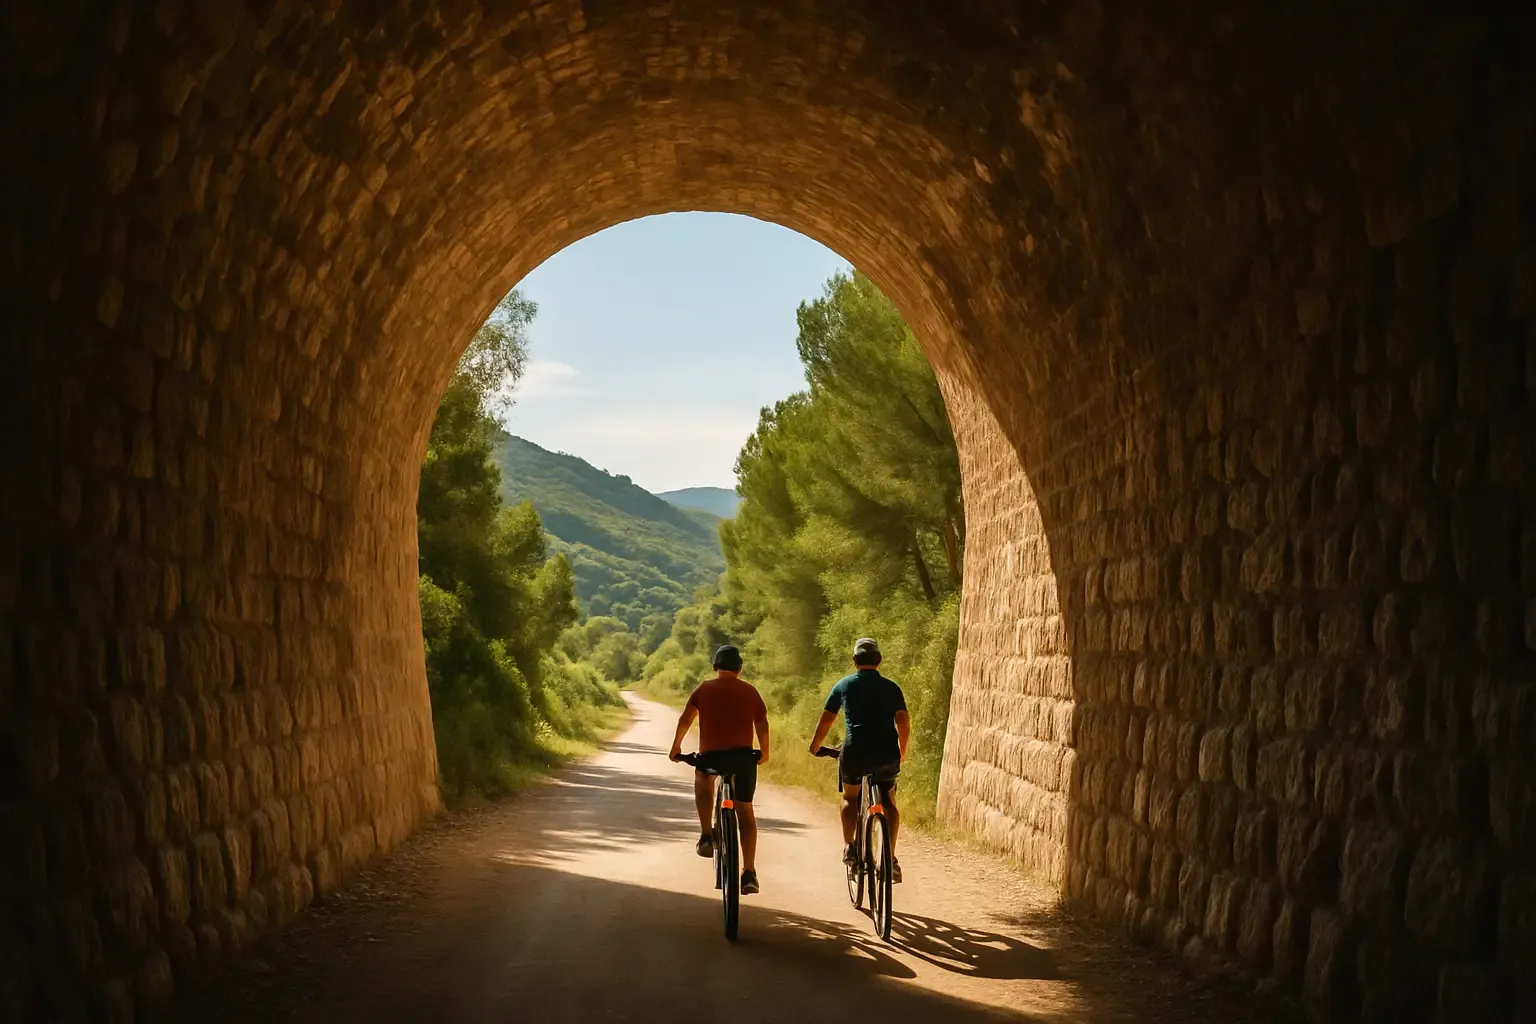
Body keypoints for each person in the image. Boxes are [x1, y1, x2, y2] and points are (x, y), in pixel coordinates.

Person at [668, 644, 771, 895]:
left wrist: (676, 748)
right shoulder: (750, 691)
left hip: (711, 757)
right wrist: (765, 752)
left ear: (715, 667)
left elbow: (685, 719)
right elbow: (762, 723)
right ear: (740, 668)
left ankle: (706, 835)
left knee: (703, 778)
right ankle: (749, 872)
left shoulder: (704, 689)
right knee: (745, 812)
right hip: (743, 759)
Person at [808, 637, 910, 882]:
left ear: (855, 661)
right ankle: (891, 859)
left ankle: (849, 846)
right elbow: (903, 722)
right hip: (886, 752)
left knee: (850, 797)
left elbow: (827, 719)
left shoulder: (844, 685)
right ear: (879, 661)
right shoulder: (891, 687)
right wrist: (902, 750)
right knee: (889, 801)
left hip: (854, 751)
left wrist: (815, 746)